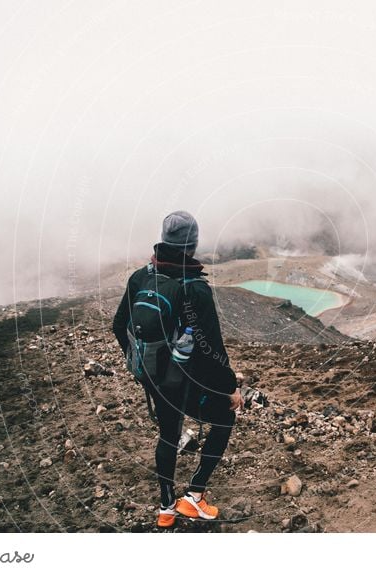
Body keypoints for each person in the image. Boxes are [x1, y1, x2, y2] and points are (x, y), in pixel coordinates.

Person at [112, 210, 243, 528]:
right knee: (225, 419)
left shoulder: (142, 277)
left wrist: (140, 363)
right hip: (187, 382)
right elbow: (213, 349)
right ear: (193, 245)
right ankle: (195, 497)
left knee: (168, 436)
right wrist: (230, 389)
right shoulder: (195, 289)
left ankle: (166, 509)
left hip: (155, 378)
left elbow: (119, 326)